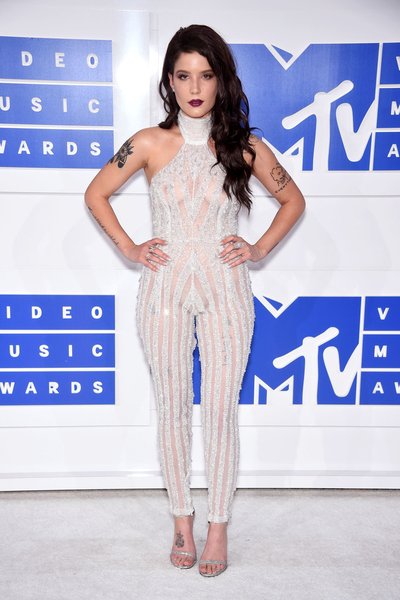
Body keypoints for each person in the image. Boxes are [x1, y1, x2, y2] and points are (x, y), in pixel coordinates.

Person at [84, 24, 305, 577]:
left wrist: (258, 248)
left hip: (226, 288)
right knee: (172, 407)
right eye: (183, 76)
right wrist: (130, 247)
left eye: (206, 75)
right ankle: (182, 521)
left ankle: (219, 525)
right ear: (169, 81)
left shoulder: (245, 146)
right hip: (163, 289)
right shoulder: (148, 143)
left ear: (221, 80)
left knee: (222, 411)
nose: (195, 88)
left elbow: (293, 201)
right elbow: (96, 193)